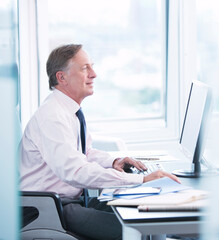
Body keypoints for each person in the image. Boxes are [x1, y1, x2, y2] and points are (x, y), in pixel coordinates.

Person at [20, 44, 180, 240]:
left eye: (92, 66)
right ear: (62, 78)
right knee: (141, 230)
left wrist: (114, 162)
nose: (94, 74)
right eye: (85, 68)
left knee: (149, 214)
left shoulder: (67, 111)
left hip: (74, 202)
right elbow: (75, 171)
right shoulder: (52, 117)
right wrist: (141, 179)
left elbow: (84, 154)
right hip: (55, 210)